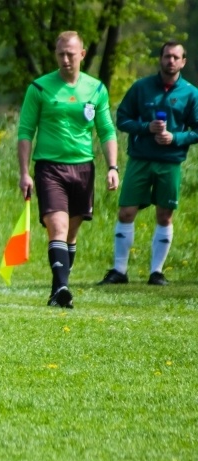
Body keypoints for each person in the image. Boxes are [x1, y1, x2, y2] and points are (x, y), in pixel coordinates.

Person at [17, 30, 119, 308]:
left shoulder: (96, 89)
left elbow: (107, 130)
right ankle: (63, 287)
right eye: (60, 54)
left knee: (71, 234)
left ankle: (56, 290)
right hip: (49, 168)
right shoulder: (39, 88)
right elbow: (25, 132)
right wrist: (24, 172)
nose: (65, 59)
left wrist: (112, 166)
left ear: (82, 55)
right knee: (57, 227)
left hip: (83, 169)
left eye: (70, 54)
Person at [98, 41, 198, 287]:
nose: (170, 61)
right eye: (167, 56)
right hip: (140, 159)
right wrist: (145, 128)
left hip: (170, 162)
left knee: (165, 215)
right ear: (160, 59)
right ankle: (119, 271)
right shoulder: (141, 88)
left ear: (183, 62)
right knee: (127, 211)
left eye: (176, 57)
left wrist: (175, 137)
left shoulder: (191, 93)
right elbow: (122, 119)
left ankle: (157, 272)